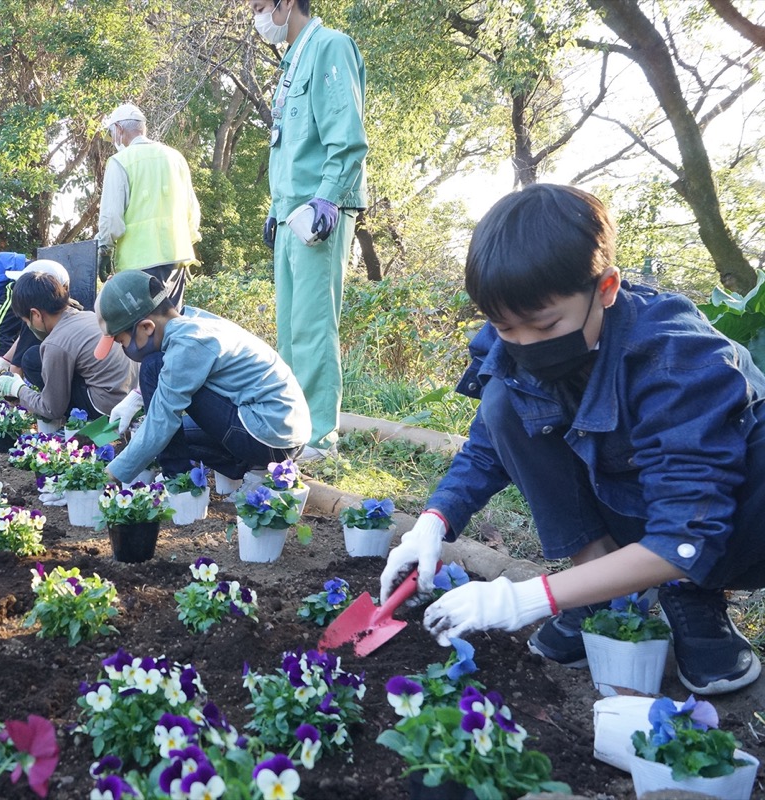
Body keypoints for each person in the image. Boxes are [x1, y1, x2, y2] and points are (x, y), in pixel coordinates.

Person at [381, 184, 764, 697]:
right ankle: (599, 593)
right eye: (504, 326)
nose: (523, 345)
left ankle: (693, 593)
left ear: (605, 288)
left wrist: (521, 600)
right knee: (501, 402)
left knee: (690, 545)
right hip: (627, 496)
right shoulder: (517, 338)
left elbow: (685, 530)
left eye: (543, 325)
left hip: (734, 521)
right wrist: (433, 522)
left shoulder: (676, 360)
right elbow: (489, 442)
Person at [251, 0, 367, 462]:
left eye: (259, 5)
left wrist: (328, 197)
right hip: (289, 215)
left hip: (321, 212)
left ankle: (320, 437)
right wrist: (276, 209)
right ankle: (292, 426)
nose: (255, 16)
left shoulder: (330, 48)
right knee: (289, 329)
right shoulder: (290, 61)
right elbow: (290, 145)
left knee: (314, 327)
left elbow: (347, 134)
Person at [93, 270, 310, 483]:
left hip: (267, 436)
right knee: (174, 437)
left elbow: (162, 421)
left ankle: (176, 479)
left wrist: (112, 474)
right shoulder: (193, 322)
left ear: (147, 327)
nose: (124, 348)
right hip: (278, 433)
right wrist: (137, 398)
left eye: (122, 342)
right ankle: (245, 465)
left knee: (154, 369)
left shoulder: (189, 343)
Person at [0, 269, 137, 423]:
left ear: (36, 314)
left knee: (31, 359)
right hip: (130, 398)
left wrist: (18, 390)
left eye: (26, 321)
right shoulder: (87, 316)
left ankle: (76, 419)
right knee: (37, 356)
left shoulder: (56, 343)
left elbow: (51, 409)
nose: (28, 326)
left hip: (105, 409)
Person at [97, 103, 201, 308]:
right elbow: (192, 210)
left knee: (145, 328)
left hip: (139, 263)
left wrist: (104, 250)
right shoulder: (175, 157)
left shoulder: (120, 162)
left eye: (112, 134)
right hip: (176, 257)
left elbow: (111, 218)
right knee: (172, 323)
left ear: (118, 129)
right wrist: (188, 241)